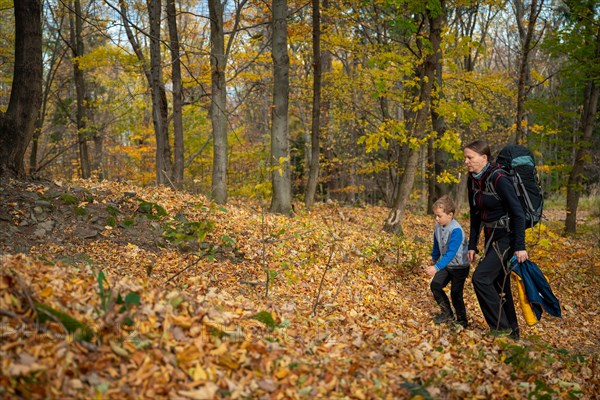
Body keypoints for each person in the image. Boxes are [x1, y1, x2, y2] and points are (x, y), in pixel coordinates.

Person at [464, 139, 528, 339]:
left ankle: (500, 328)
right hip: (490, 237)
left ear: (484, 158)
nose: (466, 162)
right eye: (465, 158)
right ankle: (513, 334)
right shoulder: (472, 179)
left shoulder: (499, 178)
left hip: (507, 237)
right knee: (500, 285)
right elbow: (475, 215)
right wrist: (472, 244)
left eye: (470, 158)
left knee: (481, 278)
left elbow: (518, 213)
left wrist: (520, 246)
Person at [425, 195, 470, 327]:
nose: (436, 218)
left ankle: (462, 320)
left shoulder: (456, 230)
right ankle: (447, 313)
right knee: (435, 285)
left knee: (456, 293)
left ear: (450, 215)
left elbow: (451, 253)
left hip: (459, 267)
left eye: (439, 216)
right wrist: (434, 257)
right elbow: (436, 244)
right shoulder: (437, 227)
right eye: (435, 215)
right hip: (445, 265)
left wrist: (436, 267)